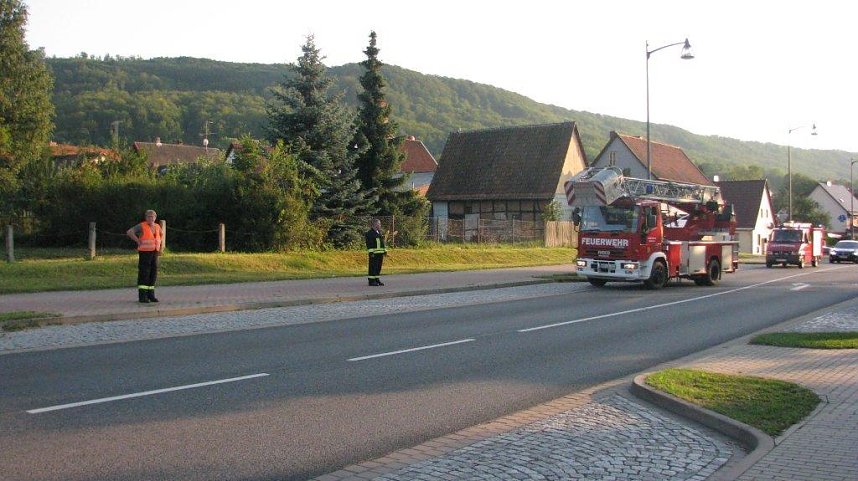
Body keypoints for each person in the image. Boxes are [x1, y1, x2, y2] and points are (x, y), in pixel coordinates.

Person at [126, 209, 164, 303]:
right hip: (144, 253)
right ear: (146, 217)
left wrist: (160, 247)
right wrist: (137, 240)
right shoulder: (141, 226)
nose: (151, 218)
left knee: (153, 273)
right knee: (144, 273)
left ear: (155, 218)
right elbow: (130, 232)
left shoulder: (157, 226)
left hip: (154, 252)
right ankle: (142, 296)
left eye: (152, 217)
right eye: (149, 216)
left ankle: (151, 295)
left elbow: (161, 236)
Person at [365, 218, 387, 286]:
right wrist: (371, 253)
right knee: (373, 267)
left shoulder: (379, 233)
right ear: (375, 224)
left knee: (378, 267)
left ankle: (377, 279)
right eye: (379, 224)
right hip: (374, 254)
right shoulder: (370, 233)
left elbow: (382, 243)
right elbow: (369, 244)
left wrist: (385, 251)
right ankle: (371, 281)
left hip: (380, 253)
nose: (380, 225)